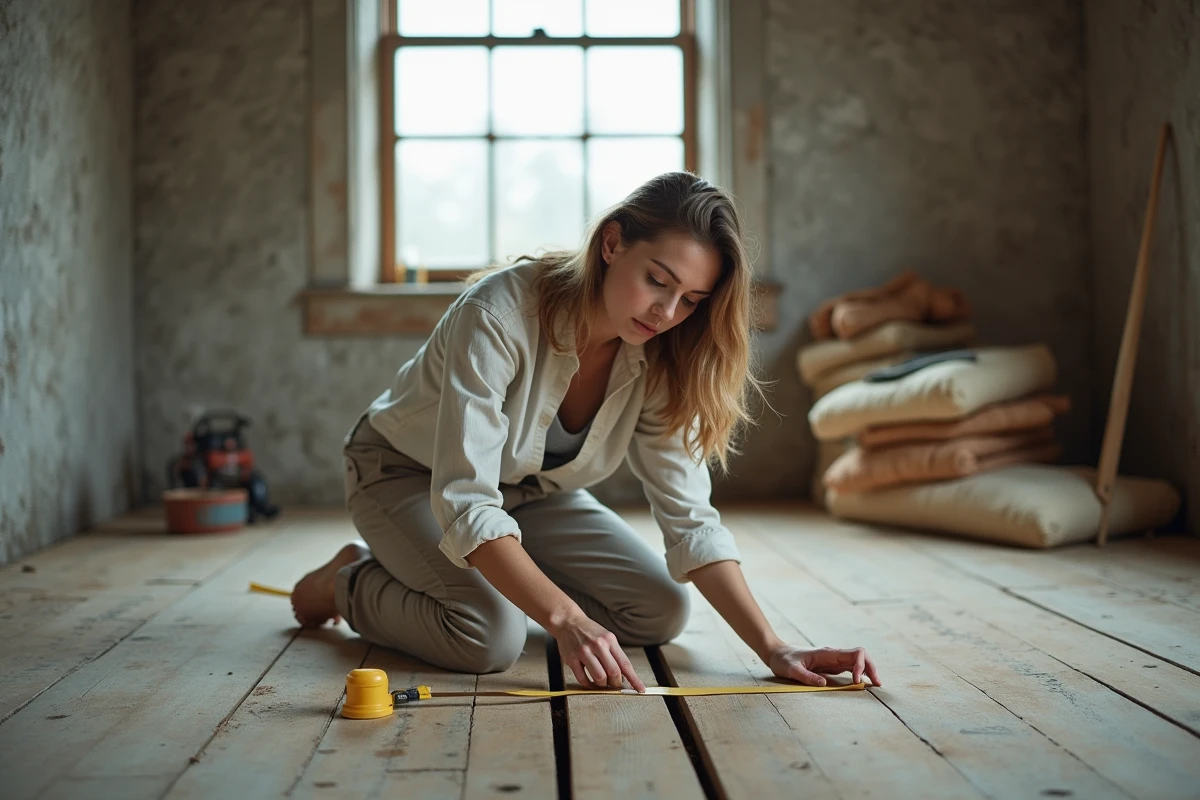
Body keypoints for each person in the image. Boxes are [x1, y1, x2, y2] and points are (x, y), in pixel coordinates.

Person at [291, 172, 881, 692]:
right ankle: (348, 581)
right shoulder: (495, 315)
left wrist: (773, 647)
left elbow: (690, 517)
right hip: (405, 475)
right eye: (657, 280)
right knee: (488, 637)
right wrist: (565, 619)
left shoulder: (662, 353)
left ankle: (485, 574)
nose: (666, 312)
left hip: (529, 493)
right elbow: (467, 500)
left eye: (691, 300)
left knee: (661, 611)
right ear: (612, 242)